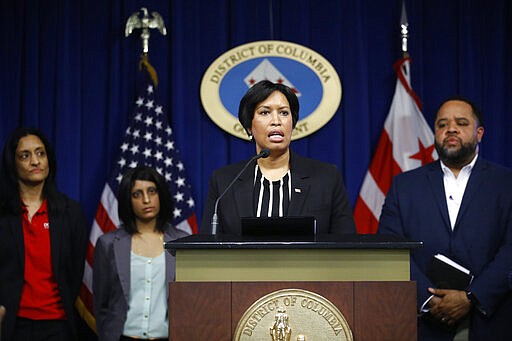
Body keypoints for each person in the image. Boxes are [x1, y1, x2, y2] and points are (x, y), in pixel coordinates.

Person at [378, 97, 512, 341]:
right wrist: (428, 299)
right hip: (422, 324)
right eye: (442, 124)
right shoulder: (404, 186)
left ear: (479, 133)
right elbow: (390, 248)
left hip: (491, 321)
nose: (451, 128)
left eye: (461, 123)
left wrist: (472, 298)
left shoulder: (506, 183)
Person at [200, 80, 356, 235]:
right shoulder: (224, 181)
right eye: (265, 112)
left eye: (283, 113)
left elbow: (346, 247)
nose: (276, 121)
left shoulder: (326, 177)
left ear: (292, 123)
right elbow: (207, 250)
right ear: (249, 126)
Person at [0, 127, 88, 341]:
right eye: (25, 155)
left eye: (41, 153)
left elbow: (75, 272)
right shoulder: (3, 214)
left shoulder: (70, 213)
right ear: (13, 163)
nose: (35, 161)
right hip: (12, 325)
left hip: (58, 326)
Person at [93, 166, 188, 341]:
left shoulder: (182, 242)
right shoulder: (107, 244)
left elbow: (190, 303)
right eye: (137, 194)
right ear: (127, 200)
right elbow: (101, 304)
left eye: (151, 191)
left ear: (161, 194)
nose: (146, 200)